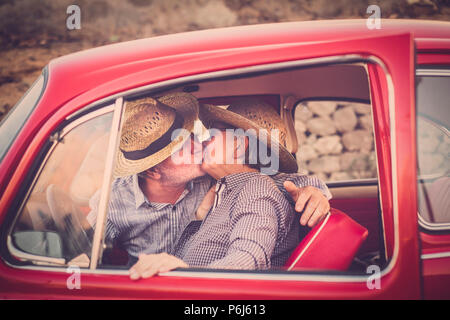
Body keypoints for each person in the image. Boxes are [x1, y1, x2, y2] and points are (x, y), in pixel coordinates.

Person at [88, 93, 331, 268]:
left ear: (238, 144)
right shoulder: (113, 201)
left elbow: (269, 186)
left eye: (191, 135)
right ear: (151, 172)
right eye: (180, 147)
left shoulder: (246, 186)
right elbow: (80, 249)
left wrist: (314, 191)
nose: (199, 144)